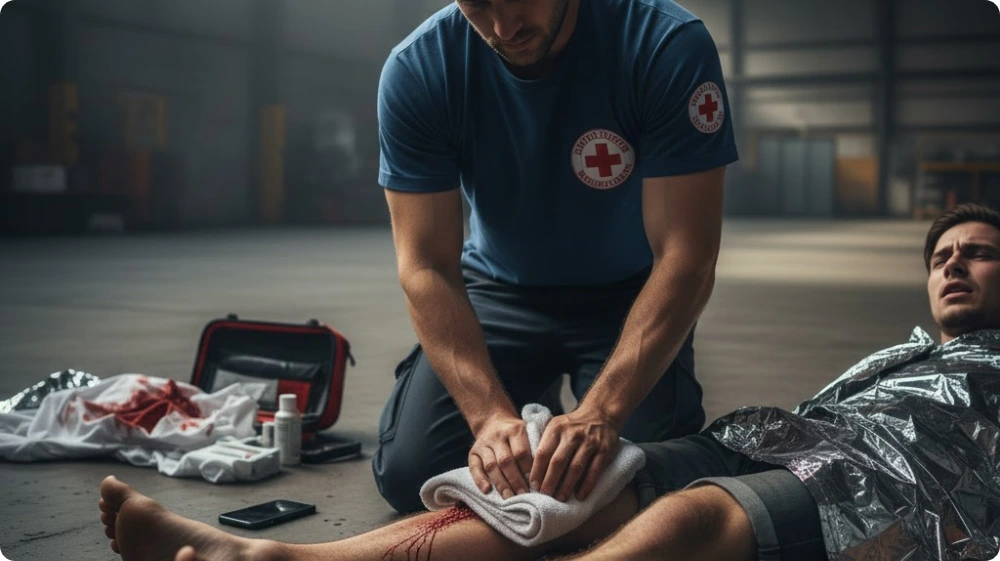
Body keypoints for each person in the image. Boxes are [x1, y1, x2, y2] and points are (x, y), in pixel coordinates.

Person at [97, 204, 1000, 561]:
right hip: (779, 439)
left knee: (690, 519)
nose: (953, 265)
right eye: (942, 255)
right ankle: (274, 559)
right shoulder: (899, 353)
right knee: (558, 485)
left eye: (979, 253)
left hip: (886, 488)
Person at [374, 0, 739, 513]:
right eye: (477, 5)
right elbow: (426, 265)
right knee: (412, 475)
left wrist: (603, 412)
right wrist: (489, 417)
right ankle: (530, 398)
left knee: (644, 482)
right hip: (498, 292)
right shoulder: (420, 69)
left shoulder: (664, 45)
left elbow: (687, 256)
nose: (504, 27)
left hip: (628, 295)